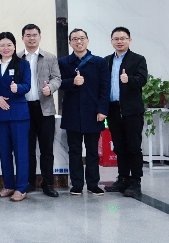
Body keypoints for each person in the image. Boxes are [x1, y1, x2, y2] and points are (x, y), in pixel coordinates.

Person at [58, 28, 110, 196]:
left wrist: (102, 110)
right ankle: (77, 184)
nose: (79, 41)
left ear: (87, 40)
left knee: (92, 151)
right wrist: (72, 82)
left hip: (93, 113)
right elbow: (59, 83)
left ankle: (93, 184)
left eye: (82, 38)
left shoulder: (99, 62)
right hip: (72, 113)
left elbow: (105, 88)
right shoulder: (64, 62)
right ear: (70, 43)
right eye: (75, 39)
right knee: (74, 151)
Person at [103, 27, 148, 199]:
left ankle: (135, 181)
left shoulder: (138, 59)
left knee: (133, 147)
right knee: (119, 146)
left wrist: (129, 79)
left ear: (130, 40)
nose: (119, 41)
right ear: (111, 41)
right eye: (116, 39)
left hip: (131, 110)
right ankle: (122, 178)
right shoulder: (107, 61)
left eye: (123, 38)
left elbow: (142, 80)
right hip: (113, 110)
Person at [18, 24, 62, 198]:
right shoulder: (17, 58)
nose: (31, 38)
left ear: (40, 37)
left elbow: (57, 78)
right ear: (23, 38)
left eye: (34, 35)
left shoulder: (50, 57)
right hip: (24, 109)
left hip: (45, 109)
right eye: (28, 35)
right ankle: (29, 182)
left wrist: (50, 88)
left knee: (46, 149)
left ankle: (48, 183)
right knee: (27, 149)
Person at [0, 32, 31, 202]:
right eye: (2, 45)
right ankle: (8, 185)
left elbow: (27, 85)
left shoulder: (23, 64)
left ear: (14, 46)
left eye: (9, 45)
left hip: (19, 114)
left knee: (21, 153)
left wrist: (18, 88)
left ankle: (21, 188)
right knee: (4, 152)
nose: (5, 48)